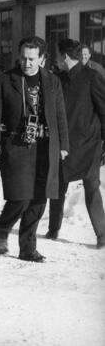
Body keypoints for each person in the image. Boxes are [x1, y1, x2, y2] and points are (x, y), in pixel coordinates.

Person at [0, 36, 69, 263]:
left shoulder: (52, 81)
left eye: (32, 59)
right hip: (17, 145)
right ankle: (2, 230)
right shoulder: (6, 80)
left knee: (39, 199)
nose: (27, 63)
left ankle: (27, 248)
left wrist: (64, 145)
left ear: (42, 59)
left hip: (45, 146)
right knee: (20, 197)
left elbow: (60, 115)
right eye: (23, 58)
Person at [47, 39, 105, 248]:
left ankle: (102, 234)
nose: (56, 59)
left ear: (64, 57)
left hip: (89, 145)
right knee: (58, 186)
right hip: (64, 144)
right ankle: (53, 229)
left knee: (91, 187)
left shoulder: (92, 77)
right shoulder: (58, 79)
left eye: (57, 55)